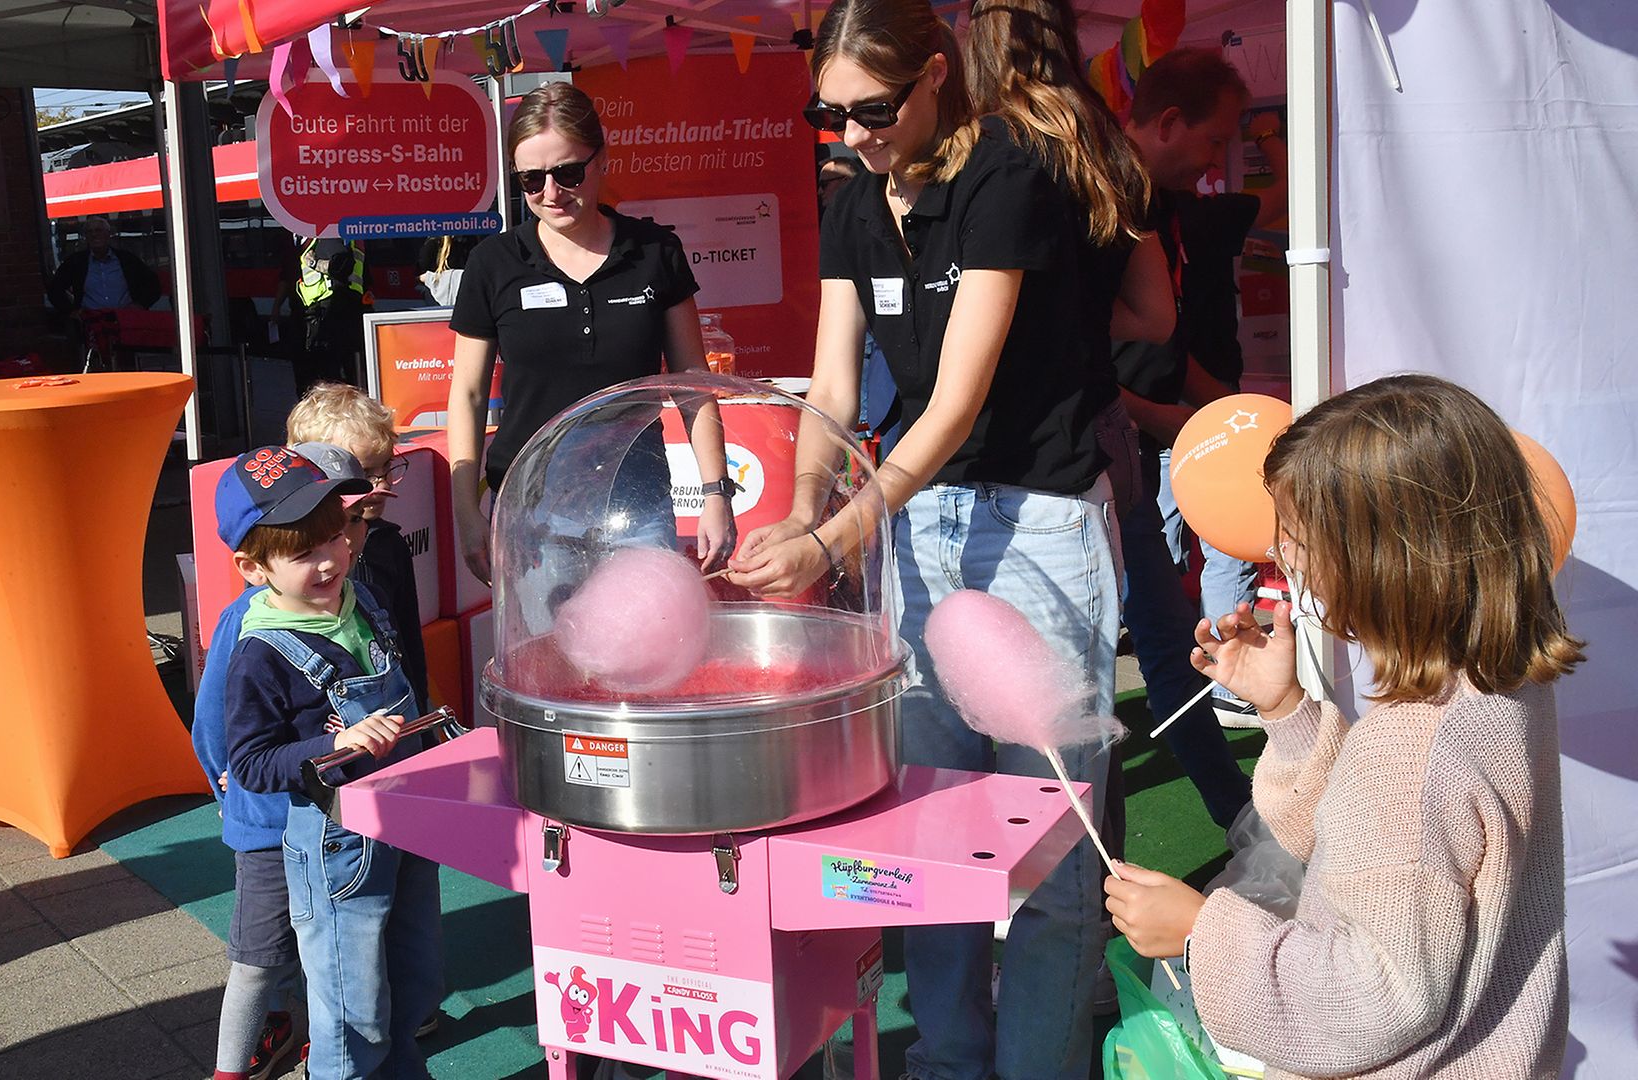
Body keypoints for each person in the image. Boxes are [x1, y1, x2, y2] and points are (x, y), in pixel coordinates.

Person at [728, 0, 1139, 1075]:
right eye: (831, 114)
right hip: (919, 526)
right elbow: (829, 387)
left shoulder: (1008, 175)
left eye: (873, 109)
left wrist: (837, 535)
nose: (854, 133)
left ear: (937, 76)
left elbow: (955, 401)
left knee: (1053, 853)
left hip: (1037, 524)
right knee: (933, 842)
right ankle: (953, 1062)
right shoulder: (856, 202)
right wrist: (799, 510)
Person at [1106, 374, 1580, 1078]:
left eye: (1299, 535)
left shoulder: (1413, 748)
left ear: (1386, 555)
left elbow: (1375, 998)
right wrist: (1286, 710)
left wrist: (1199, 935)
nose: (1284, 556)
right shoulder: (1497, 684)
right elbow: (1372, 852)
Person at [446, 82, 734, 586]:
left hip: (634, 491)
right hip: (530, 497)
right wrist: (467, 514)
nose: (551, 194)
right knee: (547, 653)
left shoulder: (653, 251)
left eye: (568, 172)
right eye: (531, 180)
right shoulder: (494, 263)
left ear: (602, 160)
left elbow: (692, 380)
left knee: (645, 649)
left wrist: (715, 494)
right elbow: (468, 394)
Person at [218, 445, 443, 1080]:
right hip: (336, 843)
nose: (330, 558)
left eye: (337, 536)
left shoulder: (362, 598)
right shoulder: (259, 653)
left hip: (405, 818)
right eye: (303, 552)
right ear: (253, 566)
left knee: (414, 978)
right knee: (354, 1007)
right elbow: (254, 764)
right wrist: (335, 747)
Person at [1118, 48, 1288, 727]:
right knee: (1157, 595)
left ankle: (1212, 714)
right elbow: (1065, 343)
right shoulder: (1103, 197)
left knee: (1159, 609)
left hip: (1153, 420)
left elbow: (1166, 337)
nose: (1218, 160)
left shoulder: (1172, 206)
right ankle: (1215, 707)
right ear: (1167, 122)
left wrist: (1216, 405)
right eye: (1215, 139)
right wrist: (1151, 412)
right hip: (1111, 438)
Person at [287, 383, 429, 715]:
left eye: (387, 467)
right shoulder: (286, 556)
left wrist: (420, 712)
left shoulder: (389, 544)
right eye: (365, 472)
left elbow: (408, 642)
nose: (382, 484)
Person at [277, 238, 368, 395]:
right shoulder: (325, 241)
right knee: (342, 370)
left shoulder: (327, 238)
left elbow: (342, 264)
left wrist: (313, 263)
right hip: (334, 310)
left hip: (331, 311)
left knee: (328, 373)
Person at [45, 216, 162, 315]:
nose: (94, 234)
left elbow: (153, 284)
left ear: (108, 234)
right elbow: (55, 289)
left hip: (126, 321)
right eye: (90, 232)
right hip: (91, 324)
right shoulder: (76, 262)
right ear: (86, 237)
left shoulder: (127, 259)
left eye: (98, 230)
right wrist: (71, 311)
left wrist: (140, 305)